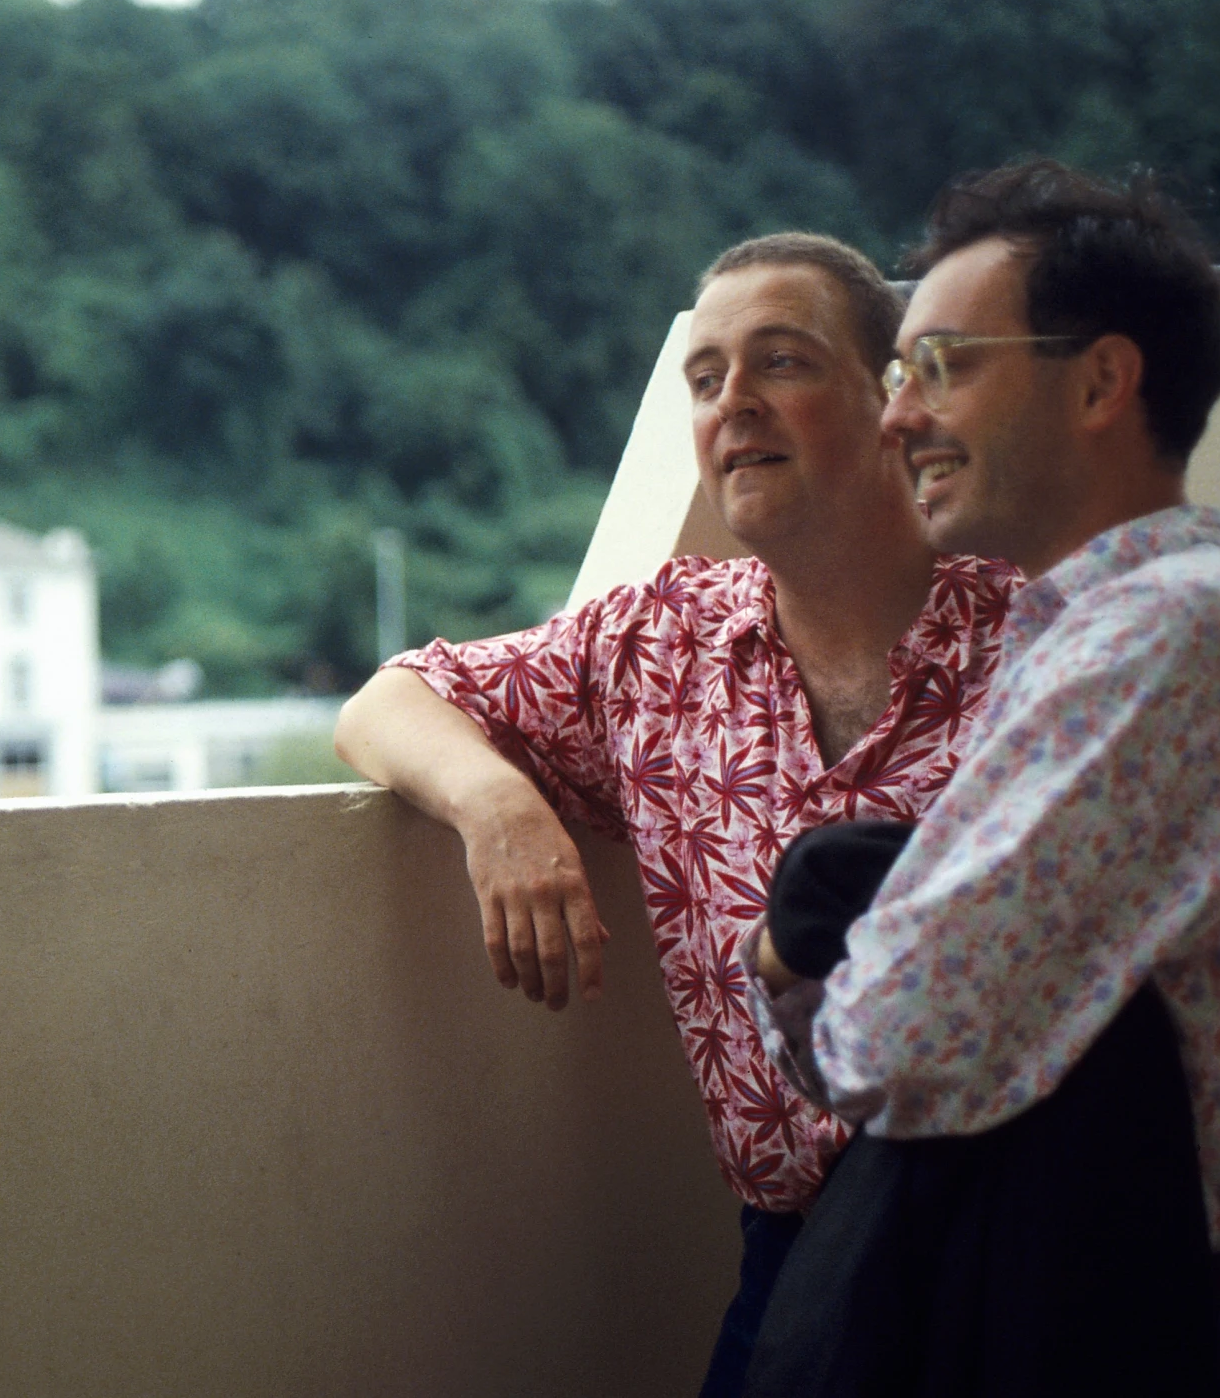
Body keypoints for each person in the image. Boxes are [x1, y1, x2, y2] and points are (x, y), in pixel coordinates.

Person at [334, 232, 1021, 1397]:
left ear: (895, 392)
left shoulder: (1058, 644)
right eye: (704, 378)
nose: (731, 402)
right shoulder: (658, 642)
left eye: (780, 362)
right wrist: (499, 805)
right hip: (800, 1269)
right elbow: (391, 697)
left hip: (1035, 1265)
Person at [747, 159, 1220, 1397]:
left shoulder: (1170, 633)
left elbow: (893, 1043)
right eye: (894, 373)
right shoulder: (1100, 636)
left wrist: (790, 954)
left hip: (1111, 1330)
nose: (895, 416)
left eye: (942, 364)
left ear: (1099, 379)